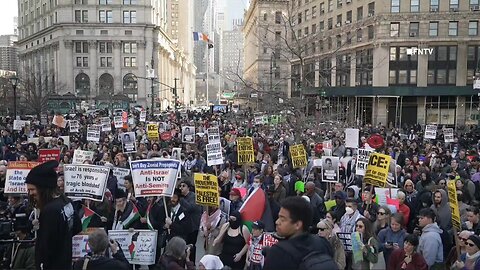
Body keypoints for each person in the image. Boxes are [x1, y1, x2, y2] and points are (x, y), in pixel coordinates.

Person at [25, 160, 82, 270]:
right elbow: (77, 227)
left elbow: (46, 248)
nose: (30, 193)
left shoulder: (50, 211)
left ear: (43, 188)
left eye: (32, 189)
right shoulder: (66, 201)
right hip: (65, 262)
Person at [263, 197, 336, 270]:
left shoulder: (279, 252)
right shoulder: (323, 243)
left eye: (282, 219)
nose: (277, 222)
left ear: (297, 225)